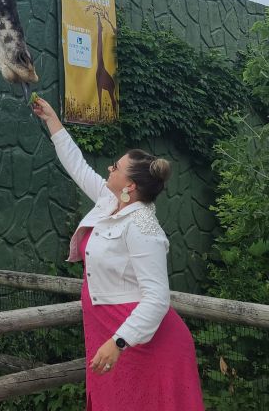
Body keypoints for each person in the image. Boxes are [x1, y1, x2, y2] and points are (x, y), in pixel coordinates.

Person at [31, 97, 204, 410]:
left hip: (143, 343)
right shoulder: (109, 202)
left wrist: (119, 341)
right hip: (108, 331)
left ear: (131, 186)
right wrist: (52, 120)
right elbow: (77, 165)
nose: (110, 168)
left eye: (117, 167)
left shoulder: (143, 227)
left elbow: (156, 298)